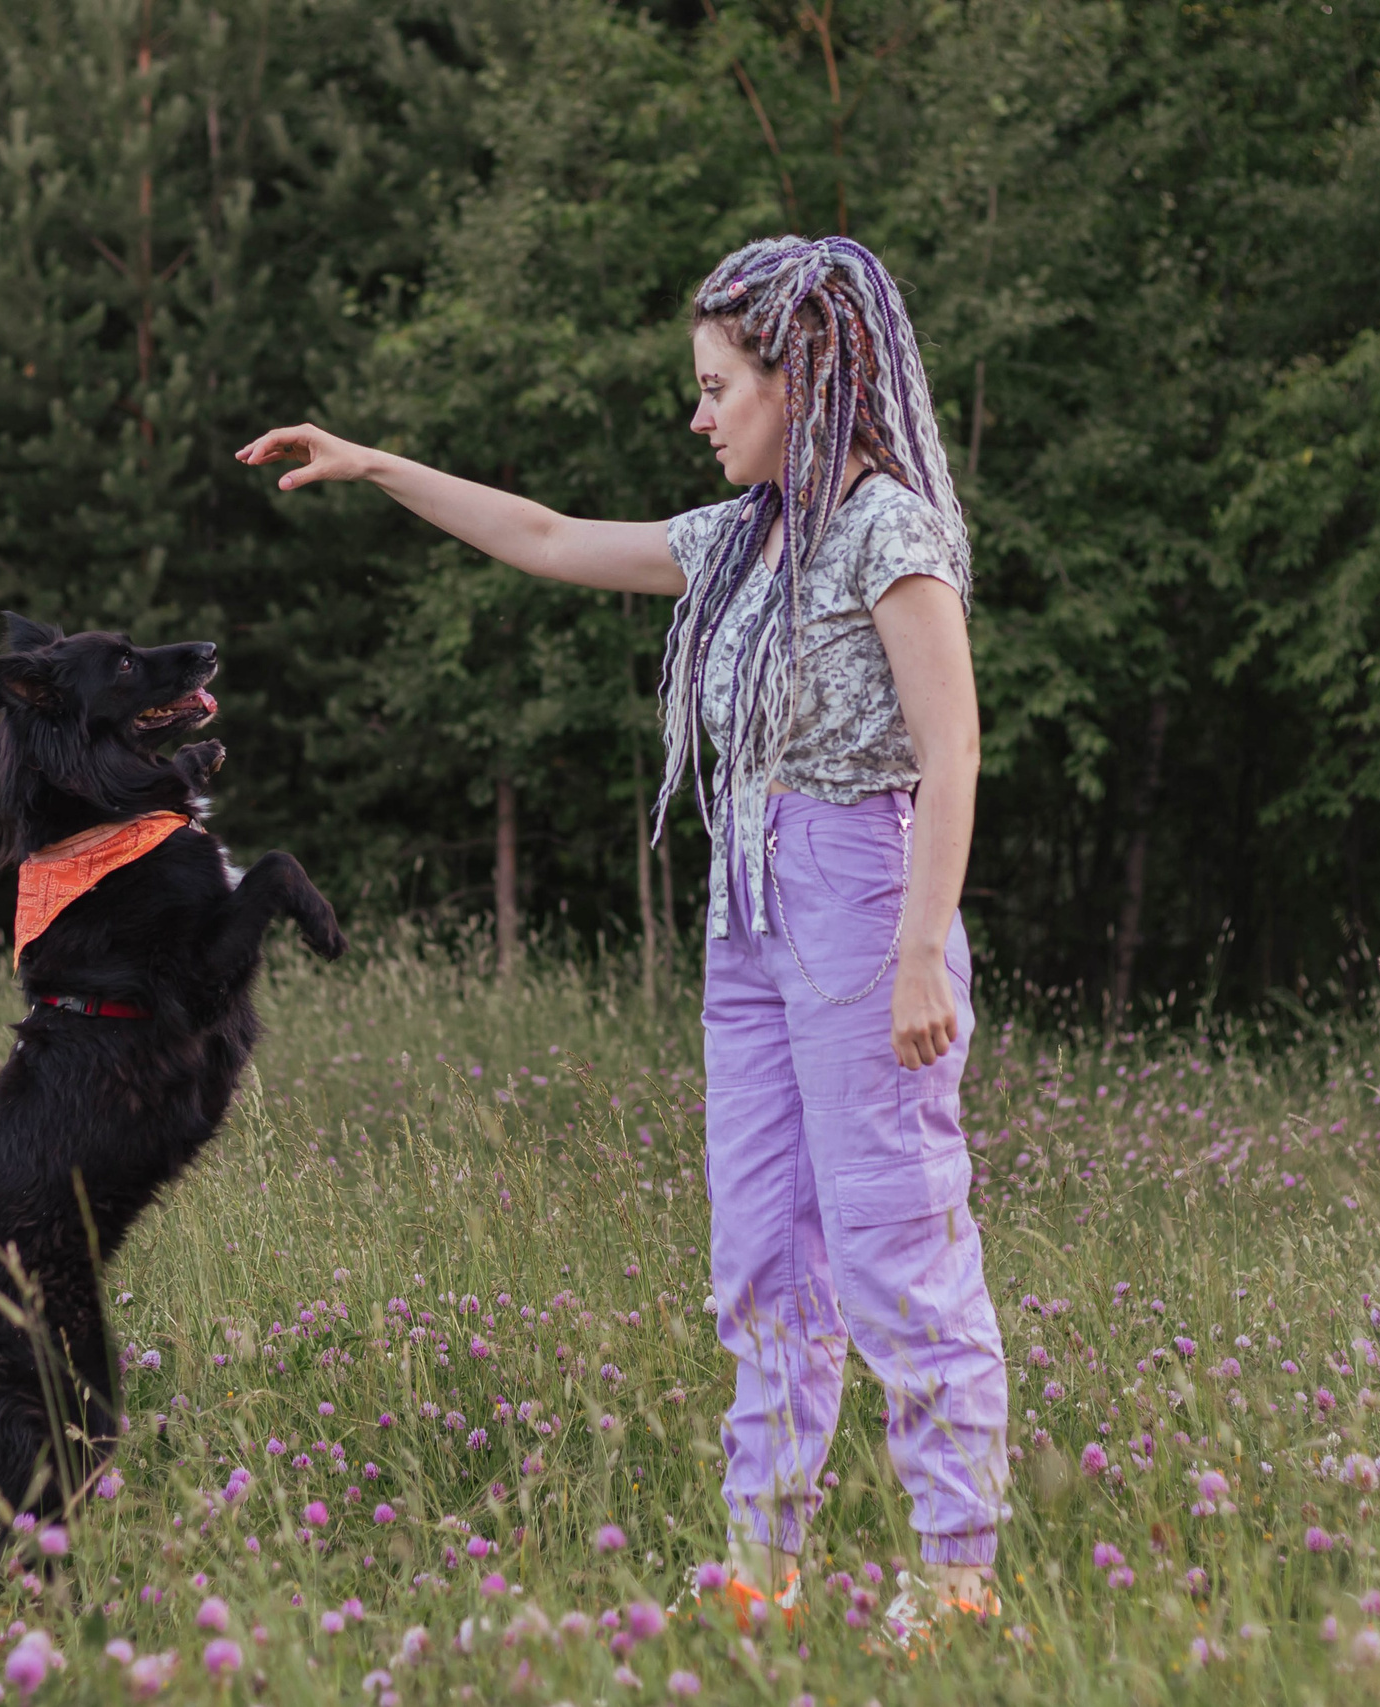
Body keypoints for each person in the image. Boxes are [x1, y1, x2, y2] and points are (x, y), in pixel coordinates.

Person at [236, 236, 1007, 1629]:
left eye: (718, 386)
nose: (699, 415)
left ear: (804, 377)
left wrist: (914, 952)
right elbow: (541, 538)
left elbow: (952, 751)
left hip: (863, 902)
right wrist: (376, 464)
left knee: (897, 1250)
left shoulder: (893, 531)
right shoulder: (742, 542)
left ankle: (958, 1583)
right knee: (763, 1257)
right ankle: (761, 1571)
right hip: (753, 917)